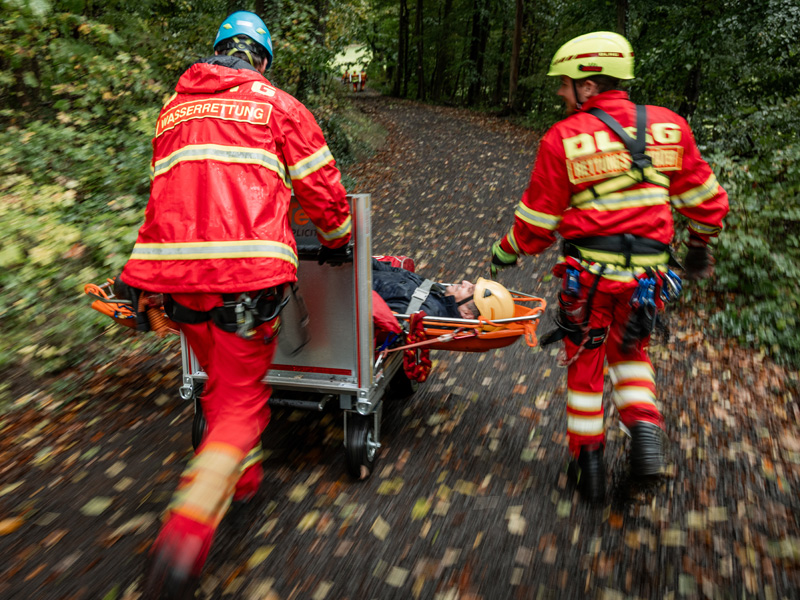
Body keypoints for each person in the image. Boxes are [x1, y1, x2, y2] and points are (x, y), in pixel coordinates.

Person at [117, 11, 352, 597]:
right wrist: (340, 239)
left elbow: (162, 199)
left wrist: (137, 279)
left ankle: (242, 484)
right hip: (247, 283)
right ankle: (182, 538)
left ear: (220, 51)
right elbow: (322, 189)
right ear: (261, 60)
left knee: (220, 386)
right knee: (242, 406)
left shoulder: (175, 108)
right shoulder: (277, 106)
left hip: (178, 286)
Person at [489, 31, 728, 503]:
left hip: (590, 280)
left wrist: (505, 252)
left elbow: (538, 221)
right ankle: (644, 434)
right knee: (631, 354)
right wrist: (701, 242)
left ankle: (590, 466)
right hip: (647, 280)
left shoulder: (565, 138)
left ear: (590, 85)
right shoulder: (670, 127)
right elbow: (705, 201)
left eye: (566, 83)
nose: (561, 92)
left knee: (585, 364)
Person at [372, 258, 514, 321]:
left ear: (467, 313)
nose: (464, 282)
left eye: (469, 289)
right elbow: (397, 272)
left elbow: (365, 305)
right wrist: (363, 260)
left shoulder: (425, 312)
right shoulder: (440, 292)